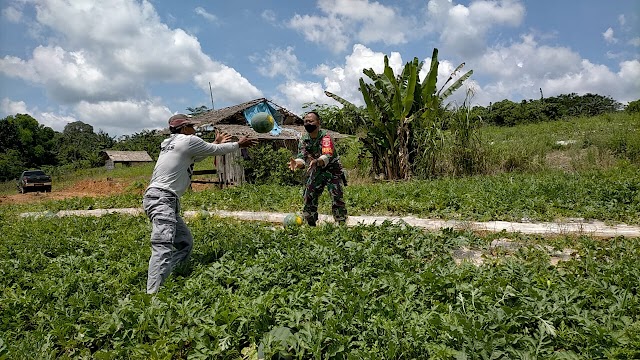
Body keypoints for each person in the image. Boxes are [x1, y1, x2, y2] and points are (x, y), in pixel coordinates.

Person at [143, 113, 257, 294]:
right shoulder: (188, 140)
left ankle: (166, 274)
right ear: (185, 128)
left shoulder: (170, 144)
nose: (195, 130)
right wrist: (238, 144)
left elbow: (202, 154)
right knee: (162, 246)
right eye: (192, 127)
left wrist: (216, 143)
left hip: (160, 198)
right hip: (163, 198)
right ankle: (152, 296)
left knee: (185, 243)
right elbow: (214, 151)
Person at [288, 111, 347, 226]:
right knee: (309, 194)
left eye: (311, 121)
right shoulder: (304, 140)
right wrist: (297, 163)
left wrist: (316, 161)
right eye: (305, 121)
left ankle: (341, 223)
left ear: (318, 122)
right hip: (317, 169)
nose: (308, 123)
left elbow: (327, 155)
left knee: (336, 196)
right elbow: (302, 158)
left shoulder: (325, 137)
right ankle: (310, 223)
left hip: (332, 170)